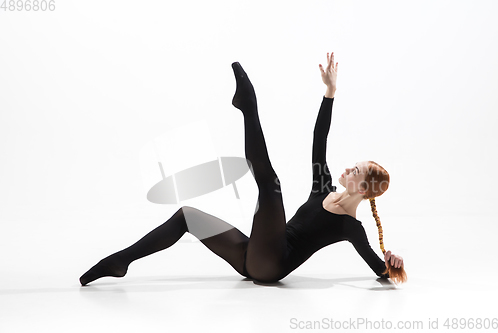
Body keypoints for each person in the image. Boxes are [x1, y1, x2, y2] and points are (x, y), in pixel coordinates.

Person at [79, 52, 406, 286]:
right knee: (187, 216)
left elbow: (379, 270)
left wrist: (391, 265)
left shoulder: (351, 228)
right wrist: (330, 92)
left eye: (356, 171)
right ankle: (121, 261)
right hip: (255, 254)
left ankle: (248, 108)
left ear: (362, 190)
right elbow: (319, 137)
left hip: (271, 266)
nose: (348, 169)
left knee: (271, 186)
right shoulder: (323, 186)